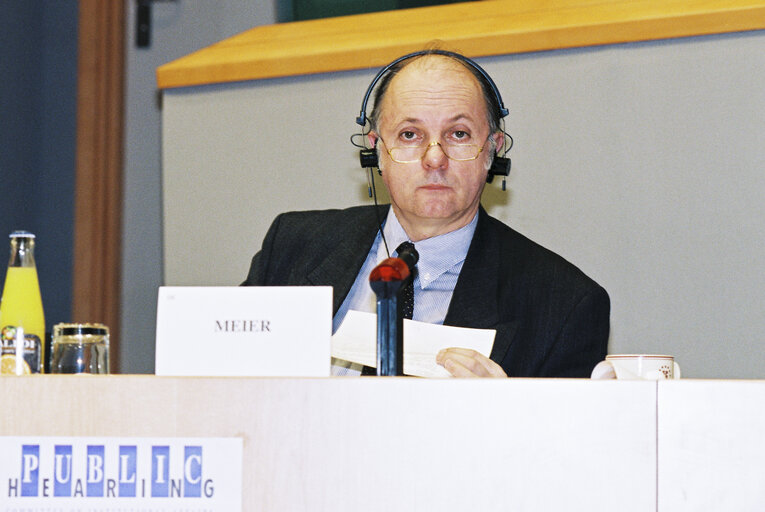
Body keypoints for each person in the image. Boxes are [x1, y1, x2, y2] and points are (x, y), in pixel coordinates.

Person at [243, 49, 609, 378]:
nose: (435, 159)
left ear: (492, 151)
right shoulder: (291, 247)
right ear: (375, 152)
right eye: (409, 135)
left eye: (459, 134)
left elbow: (569, 447)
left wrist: (508, 414)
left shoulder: (564, 305)